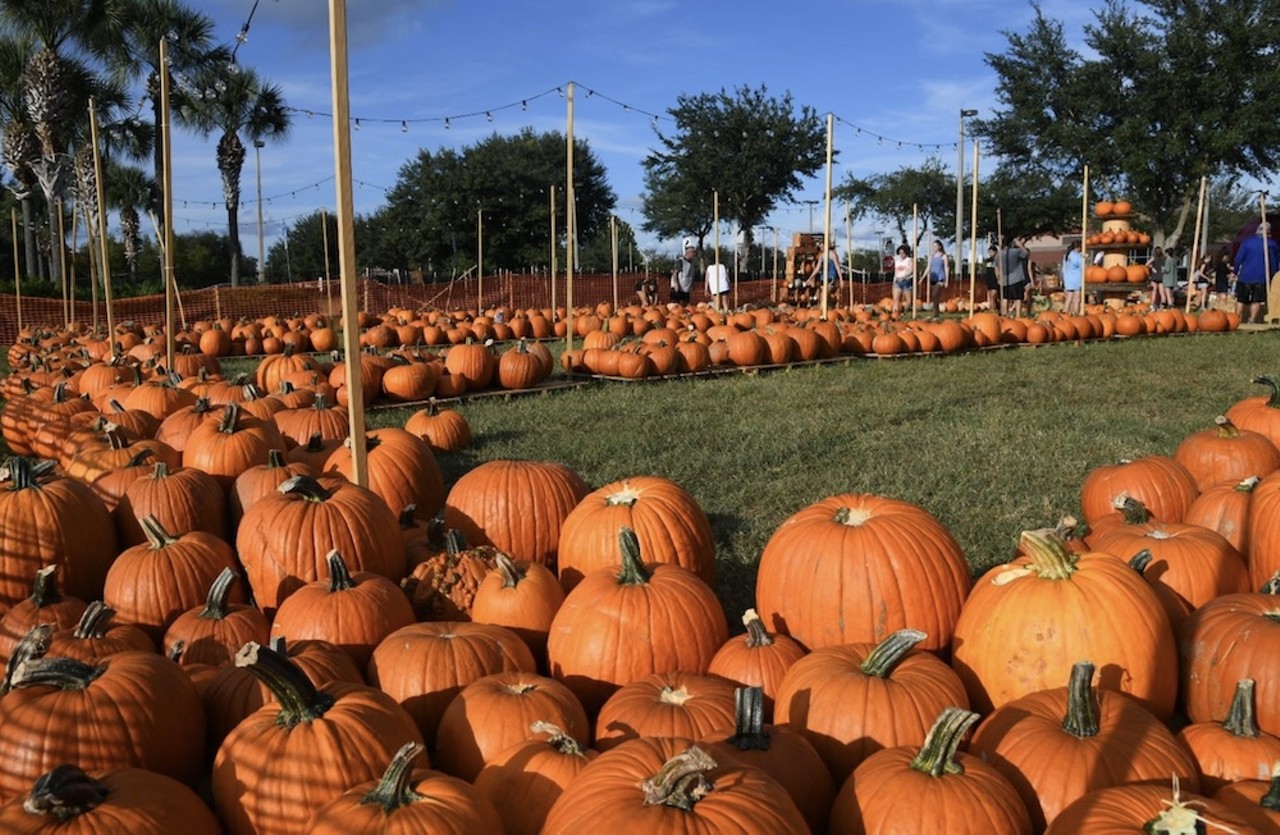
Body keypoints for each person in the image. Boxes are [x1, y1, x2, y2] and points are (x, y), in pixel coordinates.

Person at [1233, 222, 1279, 324]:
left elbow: (1238, 258)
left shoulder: (1247, 242)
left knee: (1241, 299)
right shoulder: (1272, 244)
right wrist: (1273, 275)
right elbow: (1275, 261)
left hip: (1245, 276)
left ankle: (1236, 319)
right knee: (1257, 300)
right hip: (1262, 277)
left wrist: (1236, 271)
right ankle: (1252, 319)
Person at [807, 241, 843, 310]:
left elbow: (837, 266)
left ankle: (822, 312)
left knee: (824, 295)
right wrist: (810, 278)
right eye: (820, 247)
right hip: (823, 278)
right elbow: (817, 268)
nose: (821, 248)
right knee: (825, 298)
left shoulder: (832, 254)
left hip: (831, 278)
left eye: (822, 247)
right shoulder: (821, 256)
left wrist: (841, 279)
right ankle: (830, 311)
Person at [999, 238, 1030, 317]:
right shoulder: (1016, 252)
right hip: (1016, 278)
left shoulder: (1001, 253)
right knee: (1018, 298)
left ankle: (1004, 315)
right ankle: (1018, 316)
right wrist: (1020, 245)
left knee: (1005, 298)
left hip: (1005, 279)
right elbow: (1026, 253)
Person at [1061, 239, 1083, 315]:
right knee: (1076, 299)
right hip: (1076, 279)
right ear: (1079, 247)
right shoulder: (1077, 256)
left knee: (1069, 298)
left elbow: (1063, 269)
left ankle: (1064, 313)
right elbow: (1083, 267)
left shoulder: (1067, 255)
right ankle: (1075, 314)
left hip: (1068, 279)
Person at [927, 240, 949, 315]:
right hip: (933, 278)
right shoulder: (931, 257)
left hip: (940, 278)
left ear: (939, 247)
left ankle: (936, 313)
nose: (934, 248)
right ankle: (936, 312)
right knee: (934, 297)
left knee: (935, 294)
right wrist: (922, 278)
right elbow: (928, 267)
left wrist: (946, 280)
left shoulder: (943, 256)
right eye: (933, 246)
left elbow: (946, 268)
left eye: (935, 246)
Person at [891, 244, 914, 315]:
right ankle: (895, 314)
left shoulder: (909, 260)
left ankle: (905, 313)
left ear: (906, 253)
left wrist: (903, 276)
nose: (901, 254)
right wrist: (894, 280)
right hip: (897, 282)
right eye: (900, 253)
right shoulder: (897, 261)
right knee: (896, 299)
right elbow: (896, 272)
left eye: (903, 253)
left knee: (909, 301)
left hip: (906, 281)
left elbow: (911, 271)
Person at [982, 244, 999, 311]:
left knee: (993, 295)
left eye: (992, 252)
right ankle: (991, 308)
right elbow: (985, 270)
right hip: (989, 280)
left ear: (995, 252)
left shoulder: (997, 260)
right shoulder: (987, 261)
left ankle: (993, 308)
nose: (990, 253)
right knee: (989, 295)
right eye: (989, 252)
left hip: (995, 280)